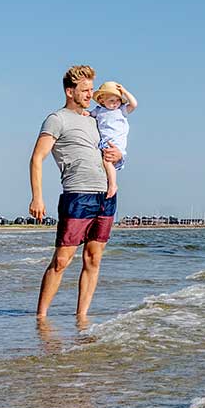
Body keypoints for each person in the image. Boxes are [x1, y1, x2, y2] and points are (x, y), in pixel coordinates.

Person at [29, 65, 123, 321]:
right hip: (77, 195)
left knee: (93, 259)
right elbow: (37, 158)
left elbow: (113, 146)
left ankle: (81, 317)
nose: (90, 94)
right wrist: (37, 196)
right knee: (61, 260)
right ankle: (41, 318)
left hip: (106, 196)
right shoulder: (56, 119)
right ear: (70, 92)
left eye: (92, 89)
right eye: (84, 90)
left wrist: (119, 155)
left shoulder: (97, 119)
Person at [90, 80, 138, 199]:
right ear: (102, 100)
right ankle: (106, 184)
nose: (115, 103)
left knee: (107, 161)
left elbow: (134, 104)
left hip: (116, 143)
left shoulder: (121, 110)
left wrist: (125, 92)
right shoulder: (99, 110)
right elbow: (89, 114)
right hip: (104, 142)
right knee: (102, 163)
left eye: (117, 100)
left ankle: (113, 185)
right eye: (111, 101)